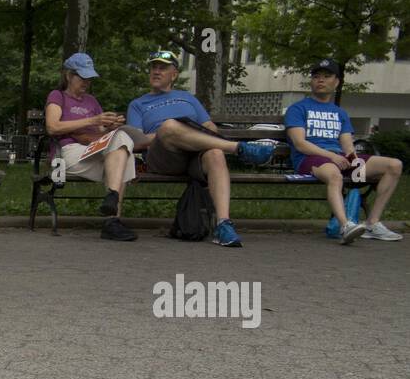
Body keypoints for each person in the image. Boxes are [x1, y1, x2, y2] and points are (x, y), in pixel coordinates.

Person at [126, 49, 278, 247]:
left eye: (162, 68)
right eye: (153, 67)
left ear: (174, 74)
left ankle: (224, 225)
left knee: (215, 153)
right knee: (170, 126)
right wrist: (169, 133)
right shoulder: (138, 104)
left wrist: (192, 136)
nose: (156, 71)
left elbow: (210, 128)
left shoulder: (188, 98)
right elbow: (137, 141)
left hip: (194, 156)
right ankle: (239, 149)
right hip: (165, 157)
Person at [284, 57, 403, 243]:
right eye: (316, 76)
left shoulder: (340, 113)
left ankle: (372, 223)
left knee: (394, 165)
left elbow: (347, 143)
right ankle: (346, 226)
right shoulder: (298, 108)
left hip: (338, 159)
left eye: (326, 76)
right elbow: (300, 144)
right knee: (335, 175)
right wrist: (332, 156)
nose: (320, 80)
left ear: (337, 82)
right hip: (310, 159)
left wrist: (352, 157)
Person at [45, 52, 138, 241]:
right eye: (83, 77)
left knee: (123, 146)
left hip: (92, 150)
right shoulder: (57, 96)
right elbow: (52, 127)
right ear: (69, 76)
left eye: (90, 78)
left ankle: (112, 212)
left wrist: (110, 125)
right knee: (124, 156)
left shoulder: (92, 101)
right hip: (66, 154)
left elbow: (100, 134)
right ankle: (113, 220)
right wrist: (94, 119)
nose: (86, 82)